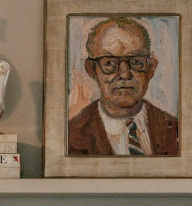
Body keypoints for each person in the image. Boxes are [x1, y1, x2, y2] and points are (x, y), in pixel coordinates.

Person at [67, 16, 179, 157]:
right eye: (109, 63)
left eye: (137, 62)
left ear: (151, 68)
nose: (124, 74)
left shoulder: (175, 131)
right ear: (91, 69)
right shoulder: (71, 137)